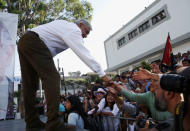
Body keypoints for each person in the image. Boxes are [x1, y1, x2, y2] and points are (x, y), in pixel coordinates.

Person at [18, 19, 111, 131]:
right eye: (86, 32)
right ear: (80, 25)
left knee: (30, 85)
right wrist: (102, 74)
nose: (86, 36)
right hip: (35, 42)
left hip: (24, 41)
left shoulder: (64, 25)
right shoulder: (74, 30)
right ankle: (54, 123)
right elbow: (84, 53)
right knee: (53, 78)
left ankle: (32, 122)